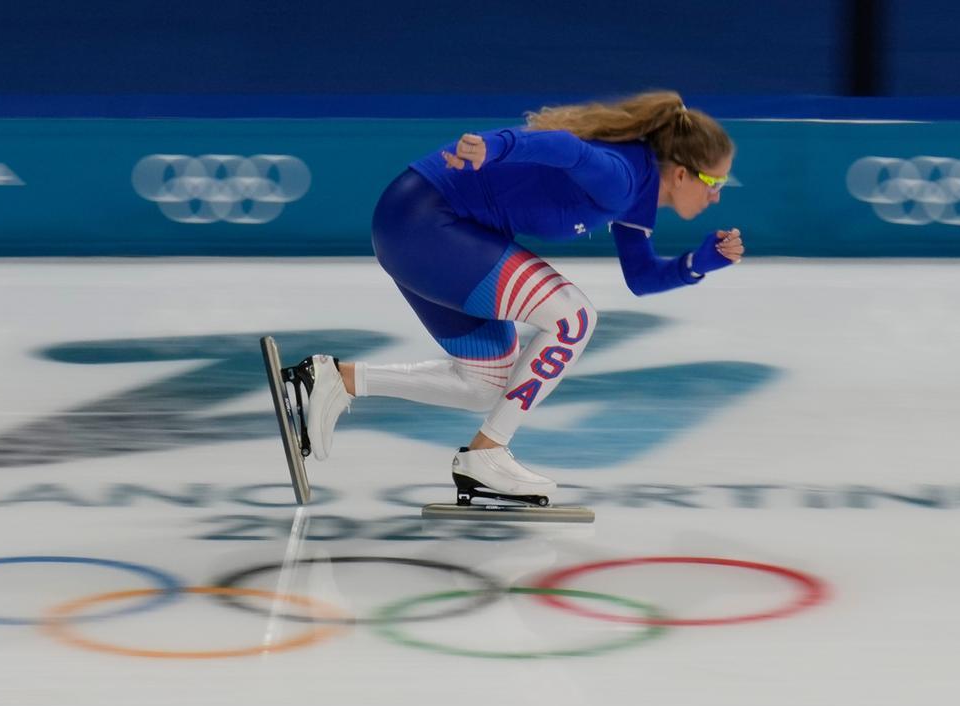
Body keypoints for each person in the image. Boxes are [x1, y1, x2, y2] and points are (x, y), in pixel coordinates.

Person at [299, 90, 744, 504]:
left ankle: (334, 380)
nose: (717, 195)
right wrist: (497, 146)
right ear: (681, 173)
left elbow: (642, 277)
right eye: (713, 181)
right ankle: (487, 455)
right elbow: (565, 148)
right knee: (574, 318)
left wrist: (698, 264)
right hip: (426, 222)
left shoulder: (636, 194)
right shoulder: (623, 179)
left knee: (484, 382)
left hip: (417, 227)